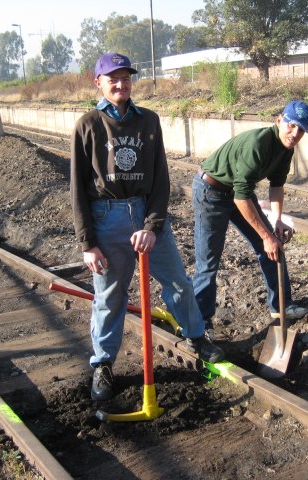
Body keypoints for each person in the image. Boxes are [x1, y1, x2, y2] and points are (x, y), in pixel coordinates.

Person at [70, 52, 224, 401]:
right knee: (109, 296)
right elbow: (77, 188)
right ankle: (103, 365)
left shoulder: (148, 121)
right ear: (99, 83)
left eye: (125, 77)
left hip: (145, 214)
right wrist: (87, 243)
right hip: (105, 217)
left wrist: (153, 225)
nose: (121, 84)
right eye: (113, 78)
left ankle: (197, 337)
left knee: (177, 282)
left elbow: (161, 180)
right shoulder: (87, 125)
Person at [192, 100, 308, 340]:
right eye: (291, 125)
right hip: (211, 192)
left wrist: (276, 222)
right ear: (279, 120)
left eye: (301, 129)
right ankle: (201, 323)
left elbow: (276, 185)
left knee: (272, 247)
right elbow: (241, 197)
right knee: (209, 262)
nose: (295, 133)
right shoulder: (258, 144)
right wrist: (266, 235)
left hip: (237, 193)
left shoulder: (286, 149)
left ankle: (281, 306)